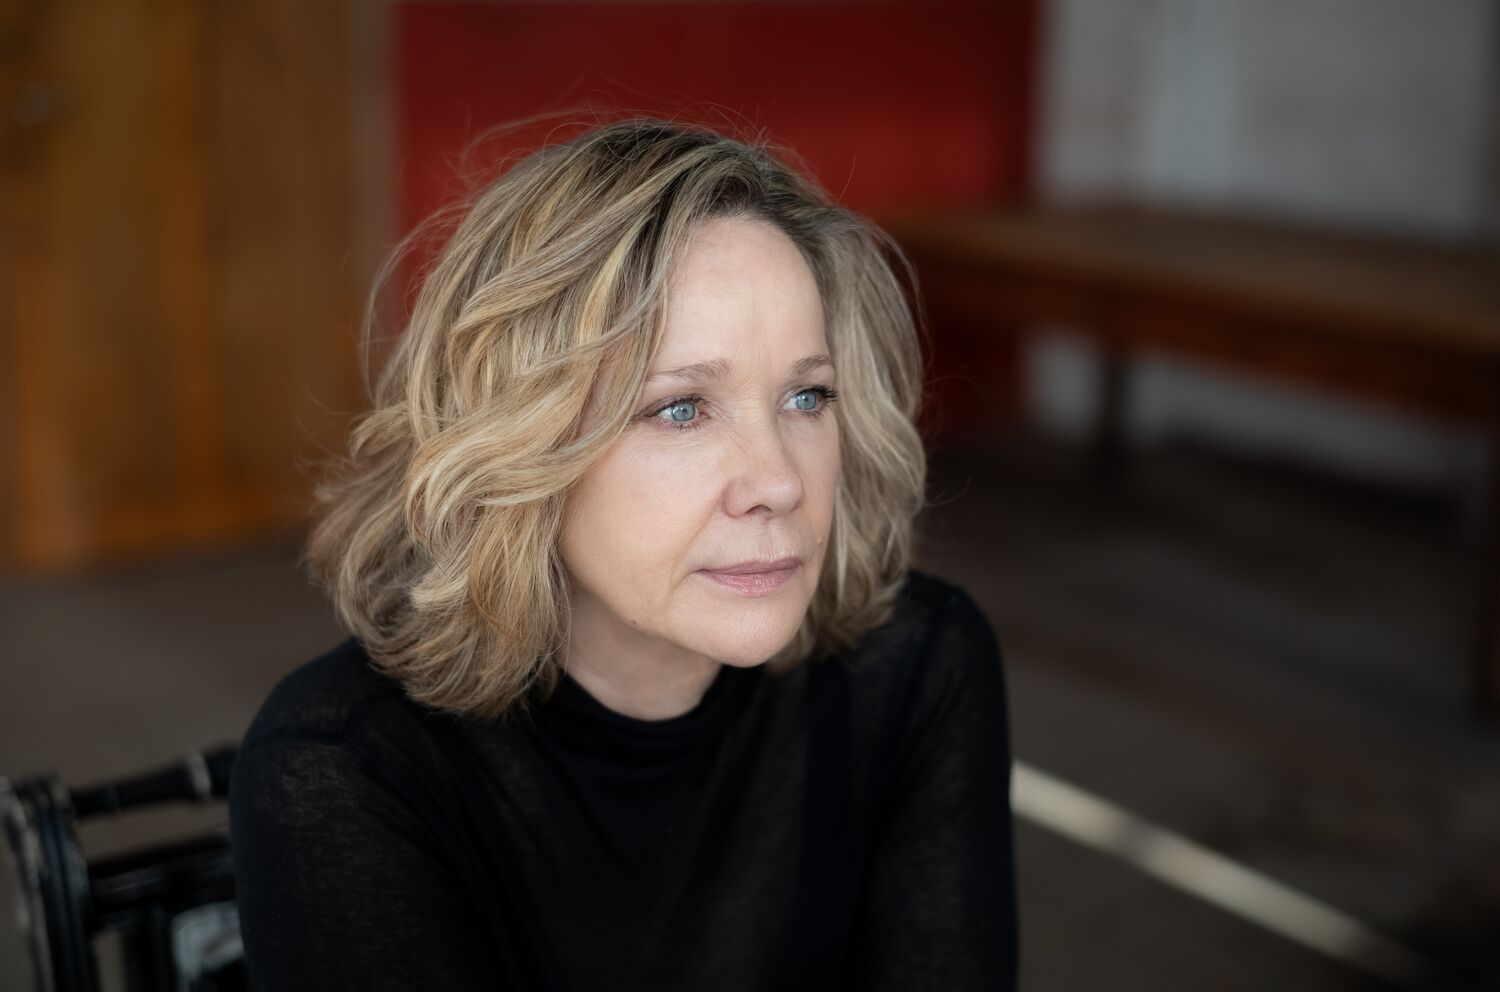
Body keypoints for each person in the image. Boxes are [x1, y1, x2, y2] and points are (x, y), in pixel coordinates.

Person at [228, 116, 1019, 990]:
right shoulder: (345, 767)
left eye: (807, 396)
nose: (778, 482)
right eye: (680, 409)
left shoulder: (913, 668)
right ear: (519, 444)